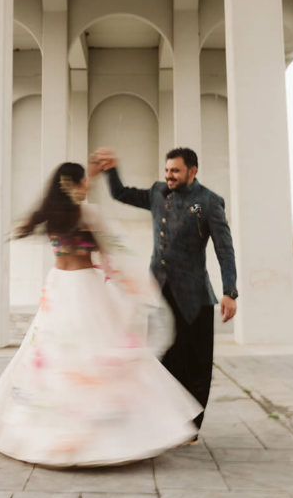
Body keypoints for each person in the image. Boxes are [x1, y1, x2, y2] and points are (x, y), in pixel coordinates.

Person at [0, 162, 201, 467]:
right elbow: (115, 252)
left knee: (50, 354)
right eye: (84, 182)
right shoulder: (88, 214)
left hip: (58, 287)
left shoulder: (53, 214)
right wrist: (141, 287)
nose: (88, 186)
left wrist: (86, 172)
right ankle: (102, 433)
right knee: (95, 350)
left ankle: (47, 432)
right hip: (84, 287)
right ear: (77, 183)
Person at [91, 147, 237, 438]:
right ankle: (163, 422)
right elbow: (120, 193)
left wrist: (229, 292)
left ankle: (191, 428)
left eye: (176, 171)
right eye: (167, 170)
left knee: (195, 365)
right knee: (161, 361)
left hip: (194, 298)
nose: (169, 176)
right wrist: (110, 169)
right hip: (157, 294)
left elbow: (224, 250)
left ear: (192, 171)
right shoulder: (158, 193)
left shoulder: (205, 203)